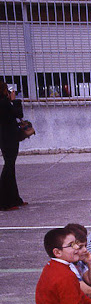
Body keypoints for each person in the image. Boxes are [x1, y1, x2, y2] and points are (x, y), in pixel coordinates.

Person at [0, 82, 26, 211]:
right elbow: (18, 114)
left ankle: (15, 198)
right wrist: (15, 101)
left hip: (5, 138)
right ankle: (4, 202)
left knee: (10, 167)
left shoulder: (4, 102)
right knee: (9, 168)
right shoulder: (4, 103)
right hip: (8, 138)